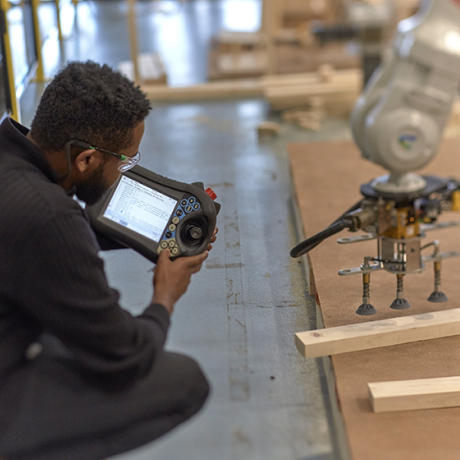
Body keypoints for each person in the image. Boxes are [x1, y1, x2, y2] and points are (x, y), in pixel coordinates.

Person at [0, 61, 216, 460]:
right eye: (124, 162)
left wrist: (142, 235)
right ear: (85, 160)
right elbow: (124, 357)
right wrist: (163, 298)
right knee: (184, 382)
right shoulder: (48, 217)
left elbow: (33, 239)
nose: (124, 171)